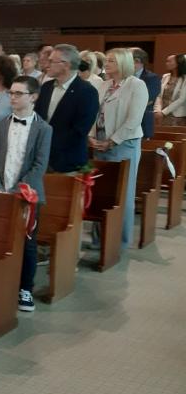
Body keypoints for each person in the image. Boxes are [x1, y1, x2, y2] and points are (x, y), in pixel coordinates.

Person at [0, 76, 52, 312]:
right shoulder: (1, 125)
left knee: (27, 244)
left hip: (27, 196)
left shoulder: (44, 129)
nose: (12, 97)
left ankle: (25, 288)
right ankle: (0, 284)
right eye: (11, 93)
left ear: (33, 97)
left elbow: (39, 165)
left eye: (18, 93)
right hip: (0, 192)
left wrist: (16, 191)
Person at [90, 48, 148, 249]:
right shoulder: (104, 84)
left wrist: (112, 141)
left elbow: (134, 120)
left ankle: (119, 242)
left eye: (111, 61)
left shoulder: (136, 85)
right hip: (100, 142)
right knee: (100, 191)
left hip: (124, 143)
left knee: (122, 193)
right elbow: (94, 113)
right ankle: (99, 239)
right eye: (106, 60)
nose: (106, 64)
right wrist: (91, 136)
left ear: (124, 63)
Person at [34, 44, 99, 174]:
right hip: (41, 159)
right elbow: (37, 118)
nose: (47, 65)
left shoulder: (87, 91)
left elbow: (80, 130)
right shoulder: (46, 87)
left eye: (52, 61)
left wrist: (49, 145)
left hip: (68, 161)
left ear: (66, 65)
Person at [130, 48, 161, 139]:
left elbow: (147, 100)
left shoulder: (152, 78)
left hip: (143, 123)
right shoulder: (123, 77)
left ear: (137, 61)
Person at [157, 54, 186, 126]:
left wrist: (164, 112)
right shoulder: (165, 76)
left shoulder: (184, 79)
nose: (166, 63)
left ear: (177, 64)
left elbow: (182, 99)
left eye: (169, 61)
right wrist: (158, 110)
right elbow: (159, 95)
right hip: (162, 115)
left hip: (177, 116)